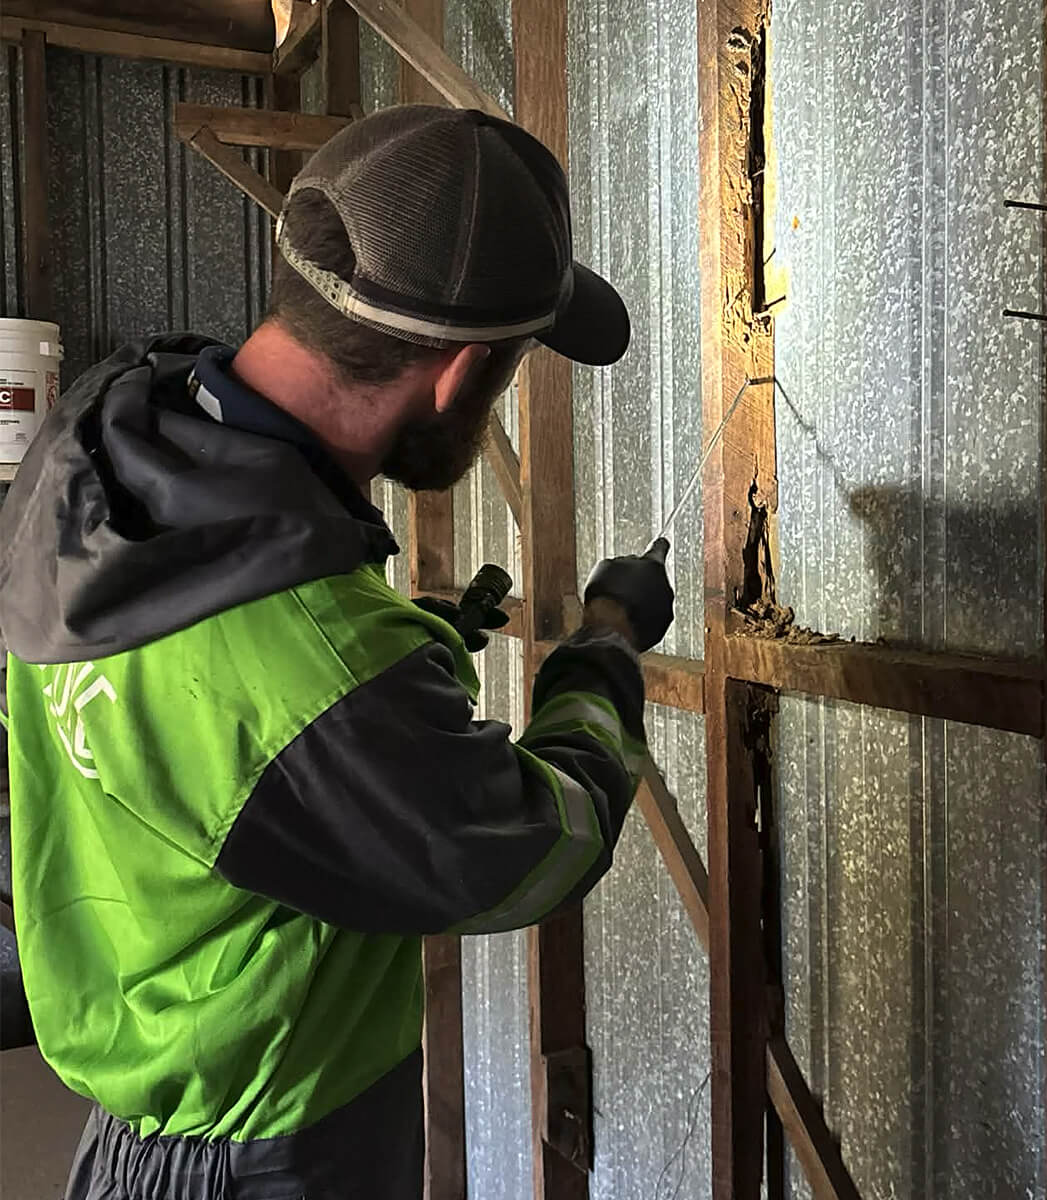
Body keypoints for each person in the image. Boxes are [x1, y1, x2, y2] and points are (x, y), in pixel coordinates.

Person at [0, 105, 673, 1199]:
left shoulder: (92, 455)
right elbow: (537, 847)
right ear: (458, 376)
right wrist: (605, 646)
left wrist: (406, 679)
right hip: (270, 1157)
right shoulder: (324, 673)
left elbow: (232, 741)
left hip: (128, 1137)